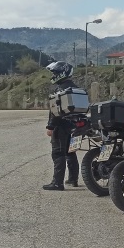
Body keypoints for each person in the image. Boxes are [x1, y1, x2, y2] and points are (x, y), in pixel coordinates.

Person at [43, 61, 80, 190]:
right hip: (73, 125)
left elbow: (55, 111)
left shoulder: (60, 90)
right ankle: (73, 179)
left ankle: (57, 183)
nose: (53, 75)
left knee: (58, 153)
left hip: (61, 126)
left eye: (55, 73)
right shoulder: (75, 88)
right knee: (71, 152)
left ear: (62, 73)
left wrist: (50, 127)